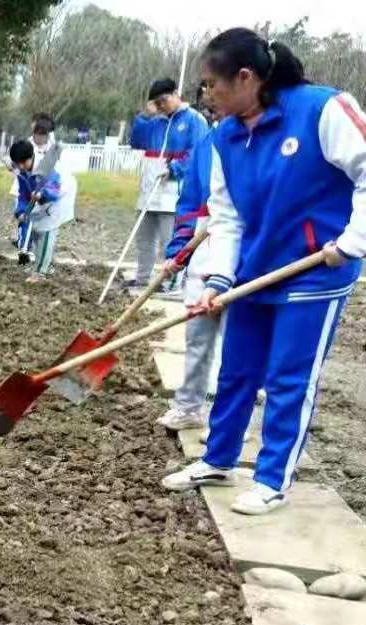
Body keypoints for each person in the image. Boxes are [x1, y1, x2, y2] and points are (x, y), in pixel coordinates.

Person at [161, 28, 366, 516]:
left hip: (316, 268)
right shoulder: (224, 136)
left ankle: (272, 478)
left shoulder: (322, 109)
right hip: (256, 267)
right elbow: (227, 217)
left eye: (211, 85)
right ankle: (218, 459)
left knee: (288, 377)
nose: (205, 96)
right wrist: (217, 280)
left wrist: (353, 241)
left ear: (245, 78)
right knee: (237, 370)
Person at [156, 83, 219, 431]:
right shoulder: (207, 145)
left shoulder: (260, 143)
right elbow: (191, 202)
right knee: (198, 335)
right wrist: (177, 252)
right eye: (212, 109)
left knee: (241, 347)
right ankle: (190, 406)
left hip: (245, 258)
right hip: (204, 250)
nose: (217, 114)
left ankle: (232, 418)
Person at [127, 78, 211, 290]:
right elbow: (136, 140)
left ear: (176, 94)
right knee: (144, 240)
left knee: (170, 239)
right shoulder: (155, 122)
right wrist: (145, 115)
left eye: (163, 100)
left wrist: (176, 168)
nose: (161, 106)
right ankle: (143, 279)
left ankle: (172, 283)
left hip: (174, 192)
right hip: (149, 190)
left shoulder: (195, 120)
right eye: (157, 102)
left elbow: (198, 153)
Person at [9, 140, 70, 283]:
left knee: (46, 237)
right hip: (38, 208)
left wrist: (43, 194)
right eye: (18, 164)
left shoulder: (47, 168)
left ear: (31, 157)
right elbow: (23, 195)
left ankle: (40, 272)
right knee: (36, 236)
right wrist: (21, 212)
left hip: (54, 205)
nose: (21, 167)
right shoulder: (22, 173)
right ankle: (45, 265)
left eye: (23, 163)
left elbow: (56, 188)